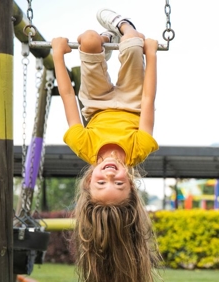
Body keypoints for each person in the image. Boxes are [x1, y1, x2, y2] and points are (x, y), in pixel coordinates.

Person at [51, 8, 162, 282]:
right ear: (131, 184)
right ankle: (121, 26)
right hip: (132, 101)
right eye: (119, 184)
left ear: (89, 181)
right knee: (134, 41)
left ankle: (101, 42)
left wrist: (57, 55)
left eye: (102, 184)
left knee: (87, 40)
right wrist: (152, 55)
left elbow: (67, 96)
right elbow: (148, 100)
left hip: (96, 103)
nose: (110, 175)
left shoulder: (83, 146)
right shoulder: (139, 149)